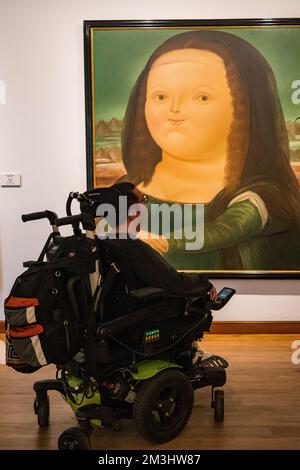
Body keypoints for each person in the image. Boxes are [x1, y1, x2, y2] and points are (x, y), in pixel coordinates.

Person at [117, 30, 300, 271]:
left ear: (244, 109)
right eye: (160, 96)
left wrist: (163, 241)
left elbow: (226, 229)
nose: (175, 110)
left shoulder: (262, 197)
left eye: (201, 97)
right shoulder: (126, 189)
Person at [96, 182, 217, 363]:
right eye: (144, 200)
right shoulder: (133, 247)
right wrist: (204, 283)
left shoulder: (104, 243)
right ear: (134, 213)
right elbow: (173, 282)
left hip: (113, 318)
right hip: (139, 318)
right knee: (196, 303)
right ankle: (190, 356)